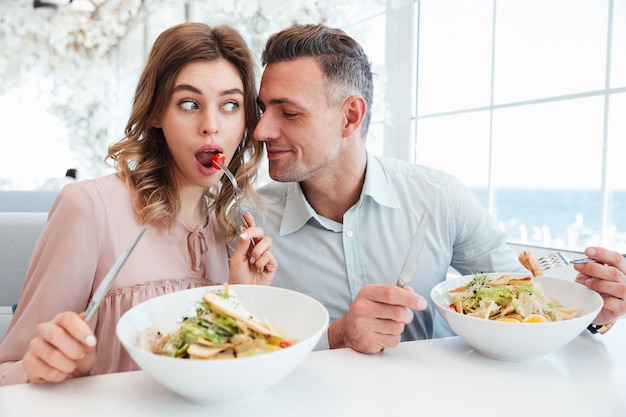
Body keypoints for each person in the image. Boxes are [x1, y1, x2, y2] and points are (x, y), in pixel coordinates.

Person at [244, 23, 625, 353]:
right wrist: (335, 336)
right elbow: (238, 351)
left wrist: (593, 315)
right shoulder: (246, 224)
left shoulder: (440, 197)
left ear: (350, 116)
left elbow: (525, 302)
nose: (261, 131)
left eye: (289, 112)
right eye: (264, 111)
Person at [0, 22, 276, 386]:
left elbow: (206, 375)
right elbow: (10, 370)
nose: (211, 126)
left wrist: (239, 297)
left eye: (230, 105)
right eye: (189, 104)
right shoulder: (89, 208)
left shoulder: (223, 230)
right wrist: (44, 367)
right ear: (156, 113)